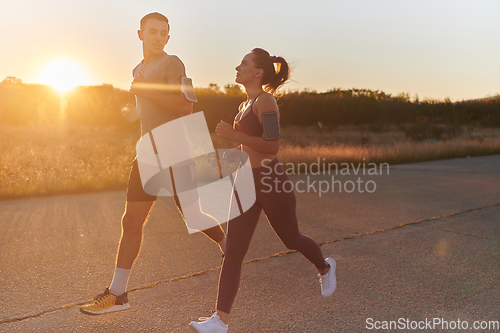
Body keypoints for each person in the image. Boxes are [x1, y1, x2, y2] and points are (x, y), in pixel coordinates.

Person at [80, 12, 226, 315]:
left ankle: (228, 244)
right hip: (147, 154)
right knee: (130, 222)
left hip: (175, 153)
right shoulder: (139, 68)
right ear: (140, 35)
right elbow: (150, 107)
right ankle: (117, 294)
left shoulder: (174, 64)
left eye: (164, 33)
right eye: (153, 32)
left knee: (193, 216)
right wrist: (136, 112)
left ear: (168, 38)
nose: (159, 38)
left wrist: (145, 92)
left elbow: (185, 106)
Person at [189, 48, 337, 333]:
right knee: (233, 250)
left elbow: (272, 145)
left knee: (291, 239)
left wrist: (233, 134)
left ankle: (325, 267)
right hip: (246, 182)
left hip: (271, 181)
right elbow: (247, 147)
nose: (237, 67)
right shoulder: (244, 104)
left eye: (243, 63)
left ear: (258, 72)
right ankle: (220, 321)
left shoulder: (266, 101)